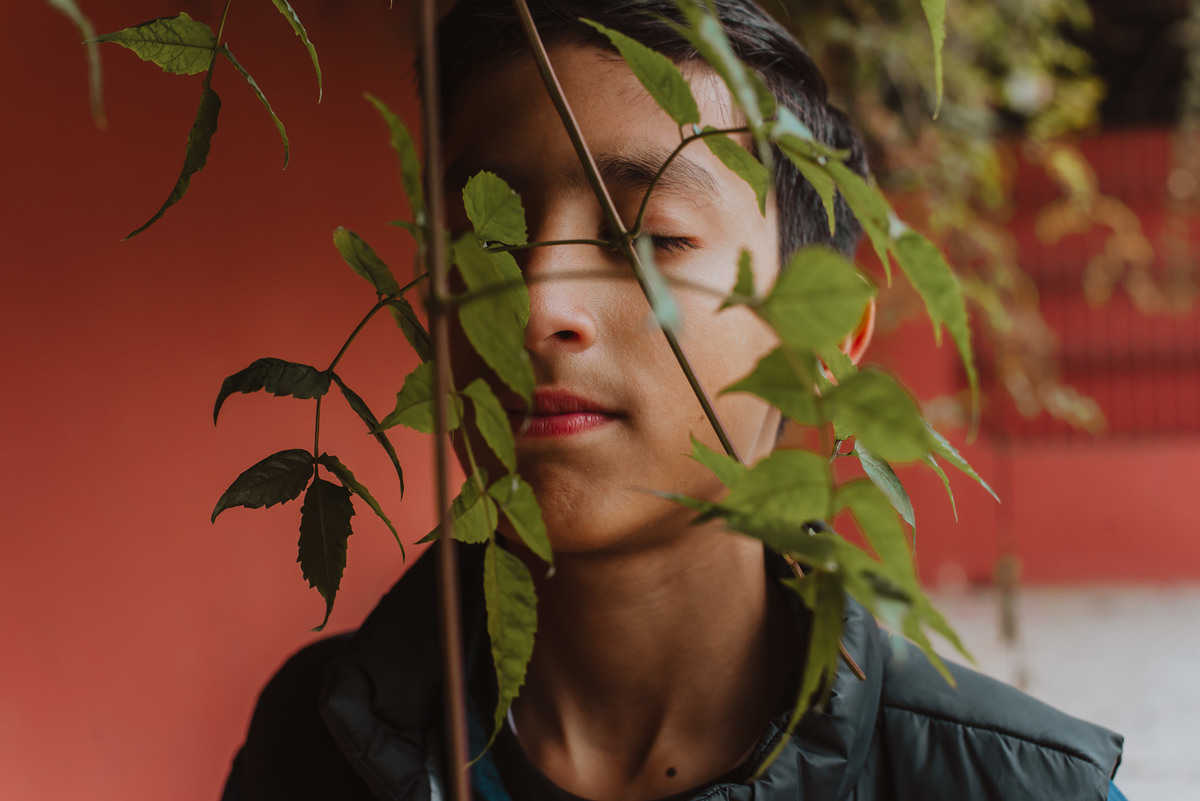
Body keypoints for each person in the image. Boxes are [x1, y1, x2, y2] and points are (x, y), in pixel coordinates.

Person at [221, 1, 1126, 799]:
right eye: (483, 240)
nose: (539, 309)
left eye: (651, 234)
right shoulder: (315, 743)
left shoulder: (1009, 783)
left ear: (822, 337)